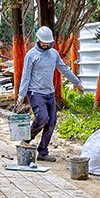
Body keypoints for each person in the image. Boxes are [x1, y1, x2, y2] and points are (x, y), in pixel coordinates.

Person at [19, 25, 68, 161]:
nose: (46, 45)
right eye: (43, 42)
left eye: (48, 42)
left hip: (49, 93)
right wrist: (21, 95)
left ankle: (43, 152)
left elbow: (64, 68)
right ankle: (27, 138)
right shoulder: (31, 55)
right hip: (35, 92)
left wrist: (77, 82)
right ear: (38, 40)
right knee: (42, 118)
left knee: (51, 122)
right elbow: (25, 76)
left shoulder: (54, 54)